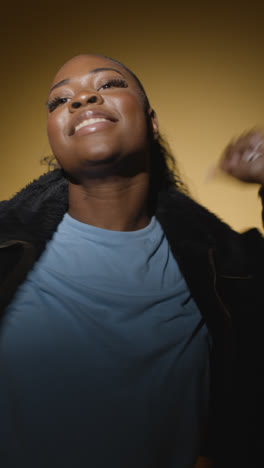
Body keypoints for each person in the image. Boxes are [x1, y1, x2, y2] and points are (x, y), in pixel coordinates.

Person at [0, 54, 263, 468]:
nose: (83, 98)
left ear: (152, 122)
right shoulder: (5, 246)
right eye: (58, 100)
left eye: (107, 85)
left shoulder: (229, 269)